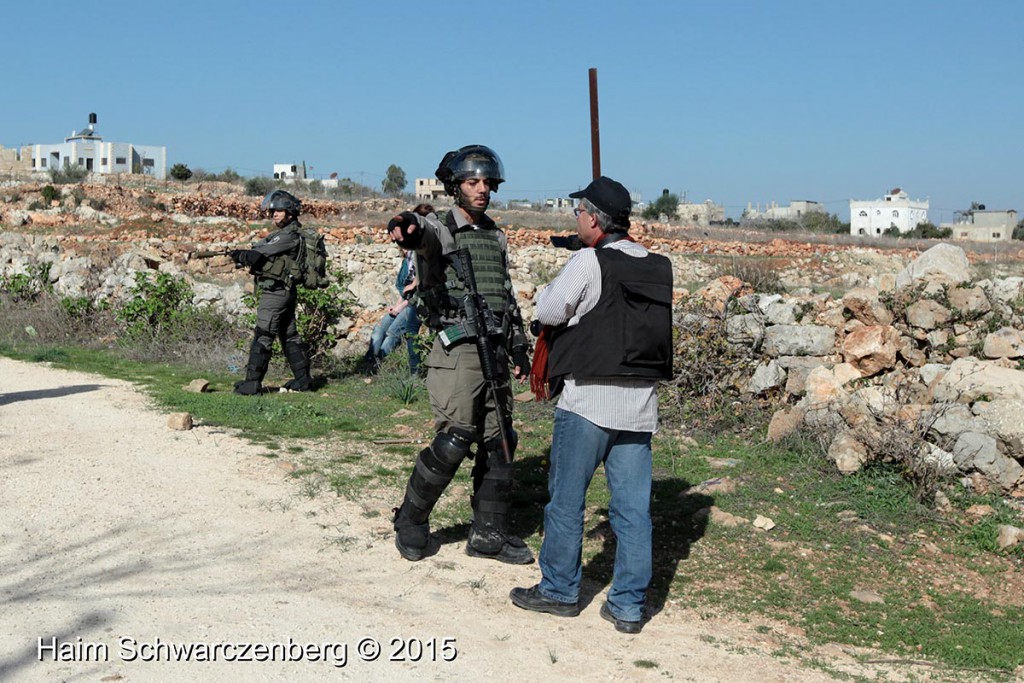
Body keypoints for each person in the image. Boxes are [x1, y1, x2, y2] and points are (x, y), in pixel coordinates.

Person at [509, 176, 674, 634]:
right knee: (633, 511)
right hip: (639, 407)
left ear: (595, 219)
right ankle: (627, 606)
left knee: (566, 501)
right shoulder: (660, 266)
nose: (575, 219)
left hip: (586, 403)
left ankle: (559, 591)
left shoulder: (588, 260)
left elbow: (550, 311)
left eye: (579, 212)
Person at [387, 145, 533, 564]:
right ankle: (411, 520)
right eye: (473, 182)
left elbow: (503, 293)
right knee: (454, 440)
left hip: (496, 348)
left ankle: (488, 533)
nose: (482, 190)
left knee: (502, 441)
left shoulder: (495, 235)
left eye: (488, 183)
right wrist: (405, 224)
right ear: (456, 186)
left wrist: (519, 342)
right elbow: (418, 230)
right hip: (458, 350)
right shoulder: (440, 228)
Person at [229, 189, 313, 395]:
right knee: (289, 335)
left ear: (290, 213)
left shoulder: (289, 235)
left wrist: (242, 255)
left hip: (275, 294)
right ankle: (303, 381)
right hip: (283, 292)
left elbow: (258, 254)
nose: (274, 213)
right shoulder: (286, 234)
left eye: (279, 210)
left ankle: (252, 383)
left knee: (263, 334)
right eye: (273, 210)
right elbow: (262, 249)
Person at [365, 205, 433, 374]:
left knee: (397, 333)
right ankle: (372, 364)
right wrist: (397, 305)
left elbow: (422, 277)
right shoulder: (411, 254)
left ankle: (383, 367)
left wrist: (401, 304)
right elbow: (406, 287)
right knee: (382, 328)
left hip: (416, 301)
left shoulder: (428, 245)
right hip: (407, 300)